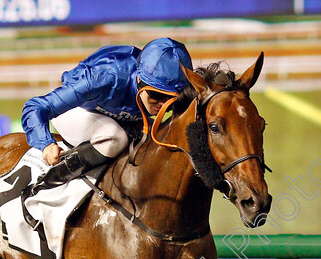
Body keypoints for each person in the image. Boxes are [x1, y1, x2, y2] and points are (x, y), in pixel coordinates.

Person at [21, 38, 193, 192]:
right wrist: (45, 144)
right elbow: (35, 107)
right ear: (140, 80)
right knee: (114, 137)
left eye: (171, 100)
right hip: (78, 110)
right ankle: (49, 183)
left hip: (119, 119)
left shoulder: (168, 88)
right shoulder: (103, 78)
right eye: (158, 96)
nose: (163, 105)